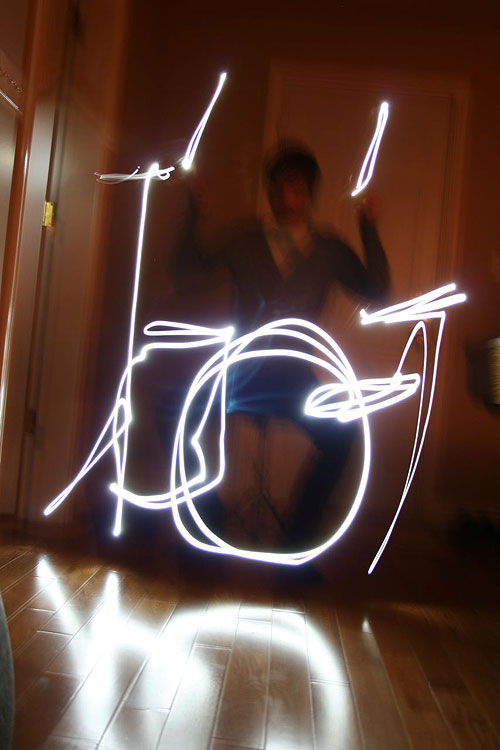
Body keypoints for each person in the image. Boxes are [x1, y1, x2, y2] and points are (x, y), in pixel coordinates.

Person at [165, 146, 390, 550]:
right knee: (173, 415)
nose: (287, 197)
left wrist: (368, 226)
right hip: (241, 372)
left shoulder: (329, 251)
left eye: (296, 188)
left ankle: (297, 540)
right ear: (269, 191)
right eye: (279, 187)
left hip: (293, 377)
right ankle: (210, 517)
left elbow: (376, 290)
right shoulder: (245, 239)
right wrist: (195, 211)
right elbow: (185, 269)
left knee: (343, 438)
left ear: (309, 194)